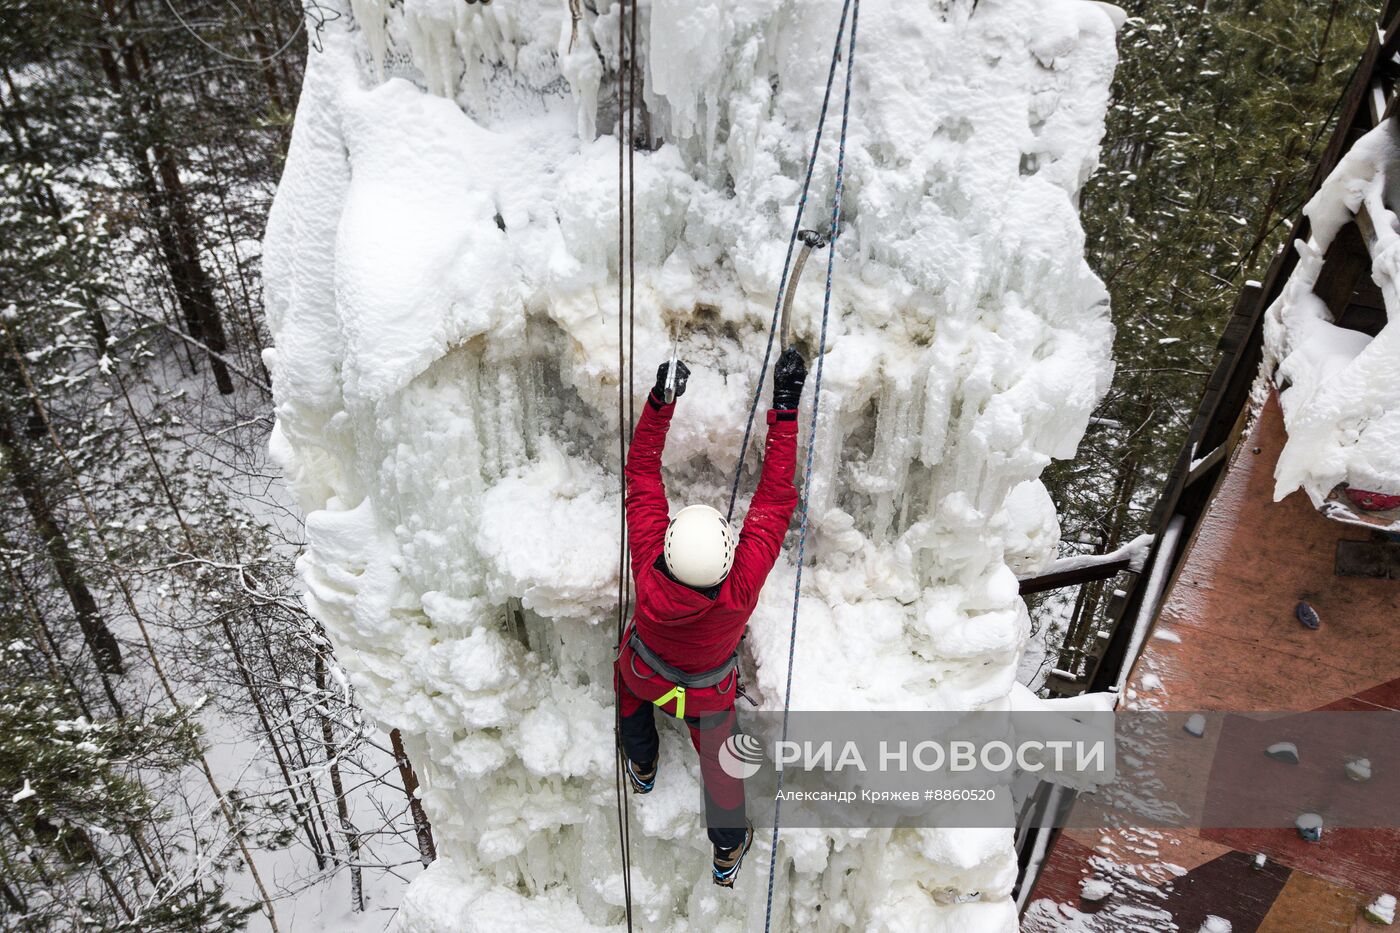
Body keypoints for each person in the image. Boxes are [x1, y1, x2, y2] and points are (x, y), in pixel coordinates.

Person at [615, 346, 806, 887]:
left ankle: (643, 763)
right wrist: (785, 408)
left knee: (627, 689)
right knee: (722, 768)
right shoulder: (739, 586)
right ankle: (728, 847)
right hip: (704, 696)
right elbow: (774, 499)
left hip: (647, 671)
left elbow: (641, 473)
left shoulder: (650, 562)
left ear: (670, 545)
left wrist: (660, 402)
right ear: (725, 557)